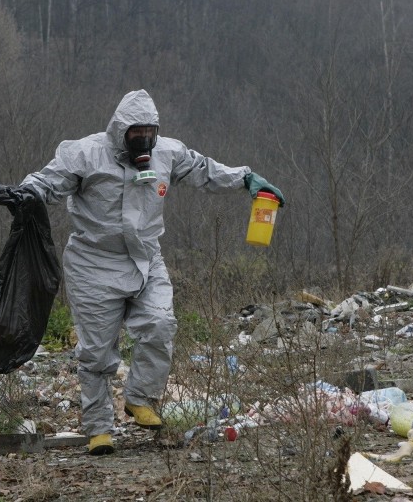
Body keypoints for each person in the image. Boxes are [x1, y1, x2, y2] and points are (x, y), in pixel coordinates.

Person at [18, 89, 284, 455]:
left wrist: (246, 179)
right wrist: (24, 194)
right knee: (97, 352)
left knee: (160, 325)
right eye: (135, 132)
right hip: (94, 262)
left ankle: (140, 398)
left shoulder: (167, 153)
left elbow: (203, 170)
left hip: (146, 256)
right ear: (119, 131)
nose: (143, 139)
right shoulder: (86, 154)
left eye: (149, 131)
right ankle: (99, 430)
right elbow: (48, 181)